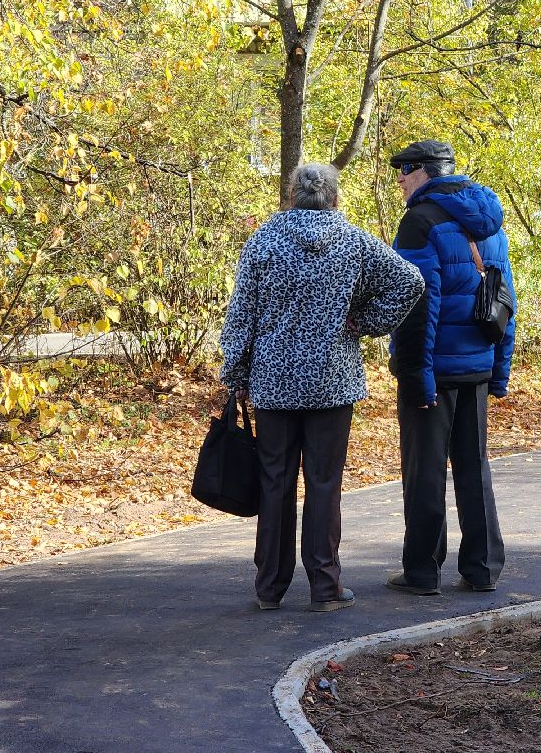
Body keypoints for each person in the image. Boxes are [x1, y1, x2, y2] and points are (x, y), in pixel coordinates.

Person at [220, 163, 423, 613]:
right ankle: (325, 587)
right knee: (324, 483)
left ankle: (269, 588)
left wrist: (234, 373)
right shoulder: (352, 241)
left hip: (273, 380)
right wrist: (365, 323)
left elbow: (241, 316)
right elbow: (410, 281)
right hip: (331, 379)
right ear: (334, 198)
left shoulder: (264, 241)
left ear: (292, 195)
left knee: (275, 482)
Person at [385, 140, 516, 596]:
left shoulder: (419, 222)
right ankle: (482, 569)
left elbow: (416, 306)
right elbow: (506, 301)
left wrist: (414, 375)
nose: (399, 178)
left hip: (434, 370)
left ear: (427, 172)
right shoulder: (489, 221)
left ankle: (422, 572)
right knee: (473, 468)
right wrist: (499, 369)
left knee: (424, 470)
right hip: (476, 368)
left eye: (405, 170)